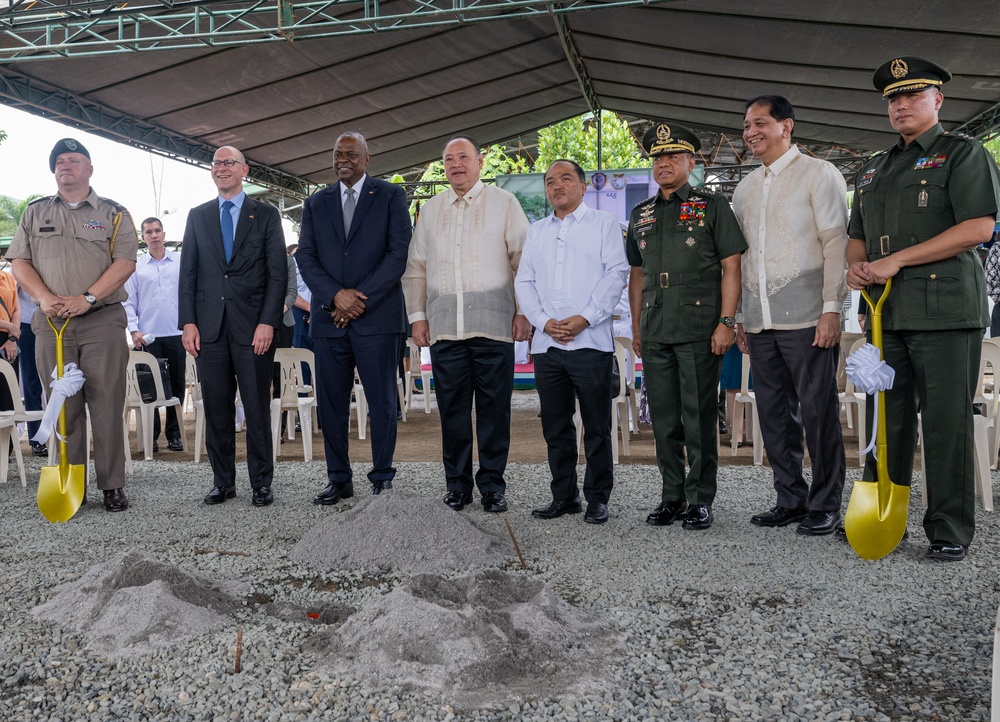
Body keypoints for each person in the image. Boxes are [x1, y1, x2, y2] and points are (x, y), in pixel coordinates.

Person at [846, 56, 1000, 561]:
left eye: (912, 95)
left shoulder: (963, 154)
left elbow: (979, 228)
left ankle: (949, 528)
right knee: (885, 420)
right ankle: (888, 517)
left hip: (947, 312)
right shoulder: (874, 167)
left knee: (946, 421)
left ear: (938, 100)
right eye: (893, 98)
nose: (901, 105)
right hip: (886, 314)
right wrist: (857, 268)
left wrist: (896, 261)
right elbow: (857, 237)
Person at [732, 95, 849, 536]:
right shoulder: (744, 187)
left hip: (808, 315)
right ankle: (790, 498)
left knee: (818, 411)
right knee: (774, 412)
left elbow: (836, 242)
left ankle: (825, 503)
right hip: (759, 319)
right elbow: (742, 257)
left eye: (760, 122)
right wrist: (741, 314)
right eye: (746, 125)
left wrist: (832, 308)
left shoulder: (819, 174)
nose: (750, 132)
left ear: (787, 126)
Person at [626, 123, 745, 531]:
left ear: (691, 162)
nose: (663, 163)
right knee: (663, 419)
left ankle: (700, 498)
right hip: (656, 328)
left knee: (698, 416)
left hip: (698, 327)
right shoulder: (640, 214)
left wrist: (727, 321)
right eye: (657, 158)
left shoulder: (711, 205)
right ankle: (671, 496)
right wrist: (639, 329)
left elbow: (731, 266)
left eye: (672, 156)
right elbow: (637, 275)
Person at [402, 135, 531, 513]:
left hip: (494, 325)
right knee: (452, 410)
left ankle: (492, 486)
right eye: (448, 159)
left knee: (494, 410)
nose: (455, 164)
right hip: (444, 328)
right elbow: (416, 269)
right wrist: (417, 317)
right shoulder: (430, 209)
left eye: (463, 157)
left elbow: (523, 260)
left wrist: (523, 310)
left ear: (479, 161)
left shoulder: (504, 203)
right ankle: (457, 486)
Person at [9, 138, 137, 512]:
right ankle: (70, 483)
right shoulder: (35, 213)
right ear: (54, 171)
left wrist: (89, 298)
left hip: (101, 321)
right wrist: (44, 298)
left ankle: (112, 485)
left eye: (74, 160)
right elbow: (19, 261)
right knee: (63, 405)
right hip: (52, 325)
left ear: (90, 169)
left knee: (107, 404)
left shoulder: (114, 213)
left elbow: (125, 262)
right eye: (60, 161)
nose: (66, 165)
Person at [296, 131, 411, 503]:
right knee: (331, 403)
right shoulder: (315, 203)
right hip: (330, 320)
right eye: (336, 153)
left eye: (350, 153)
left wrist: (359, 300)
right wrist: (335, 298)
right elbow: (306, 257)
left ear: (367, 159)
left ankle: (382, 478)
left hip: (377, 317)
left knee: (381, 402)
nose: (342, 159)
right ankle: (339, 479)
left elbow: (397, 254)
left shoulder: (392, 196)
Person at [515, 160, 628, 524]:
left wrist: (585, 318)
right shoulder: (537, 231)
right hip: (548, 345)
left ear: (583, 185)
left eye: (565, 179)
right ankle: (564, 496)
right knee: (555, 425)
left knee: (596, 425)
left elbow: (617, 273)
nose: (557, 186)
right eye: (550, 181)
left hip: (591, 341)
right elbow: (524, 282)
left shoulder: (603, 224)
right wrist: (544, 322)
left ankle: (598, 497)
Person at [178, 146, 287, 508]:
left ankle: (261, 483)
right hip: (209, 330)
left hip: (253, 328)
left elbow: (278, 274)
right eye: (217, 163)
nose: (222, 168)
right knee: (217, 409)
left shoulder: (267, 215)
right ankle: (222, 482)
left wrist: (267, 321)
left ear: (245, 170)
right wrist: (188, 321)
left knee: (256, 408)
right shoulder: (198, 216)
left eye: (229, 163)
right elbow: (189, 273)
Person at [123, 217, 185, 453]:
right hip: (147, 337)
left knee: (176, 388)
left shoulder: (179, 262)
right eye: (149, 232)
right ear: (143, 237)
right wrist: (133, 329)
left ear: (164, 233)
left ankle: (175, 435)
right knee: (149, 388)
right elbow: (128, 302)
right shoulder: (136, 266)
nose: (154, 235)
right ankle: (151, 436)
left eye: (157, 230)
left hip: (177, 333)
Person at [16, 284, 45, 456]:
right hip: (26, 325)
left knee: (59, 380)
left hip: (54, 322)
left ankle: (64, 434)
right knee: (31, 381)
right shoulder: (17, 269)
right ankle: (36, 439)